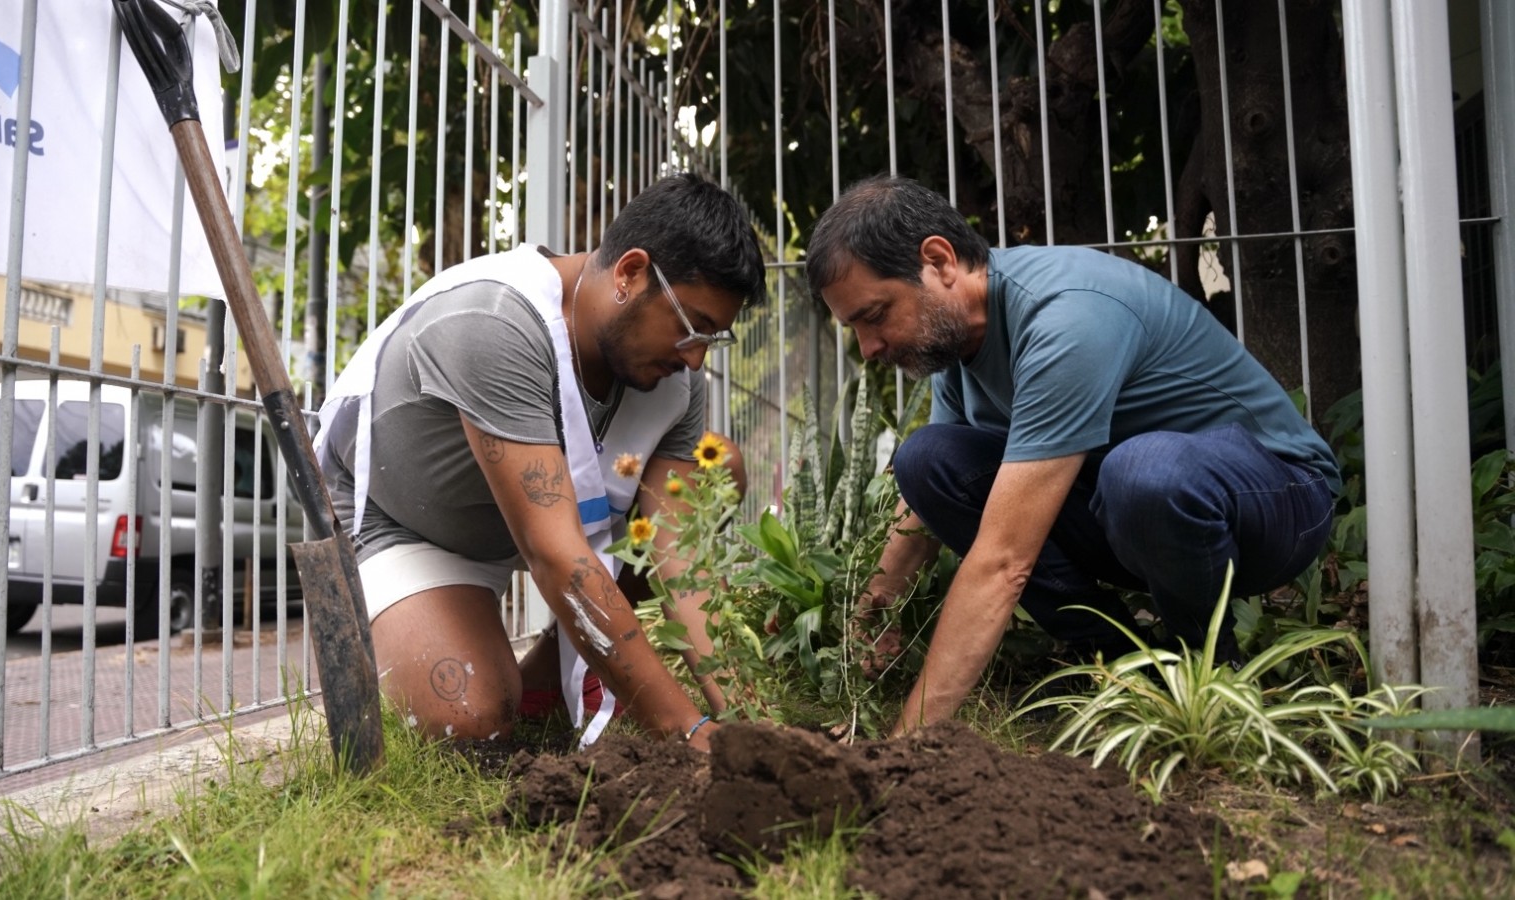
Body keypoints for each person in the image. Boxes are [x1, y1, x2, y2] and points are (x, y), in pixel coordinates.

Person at [805, 176, 1339, 737]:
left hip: (1277, 502)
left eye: (874, 314)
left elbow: (1003, 559)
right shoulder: (959, 338)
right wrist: (875, 603)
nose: (868, 347)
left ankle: (1205, 671)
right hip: (1134, 513)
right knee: (926, 460)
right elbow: (929, 497)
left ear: (938, 261)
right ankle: (1117, 664)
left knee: (1143, 472)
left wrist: (905, 741)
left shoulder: (1065, 318)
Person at [314, 172, 766, 750]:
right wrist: (685, 728)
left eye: (713, 337)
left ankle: (548, 674)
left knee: (714, 471)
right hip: (405, 519)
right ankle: (441, 637)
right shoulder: (497, 322)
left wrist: (746, 717)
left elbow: (675, 551)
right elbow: (555, 555)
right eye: (692, 328)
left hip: (522, 521)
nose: (698, 359)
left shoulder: (675, 380)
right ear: (630, 273)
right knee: (470, 719)